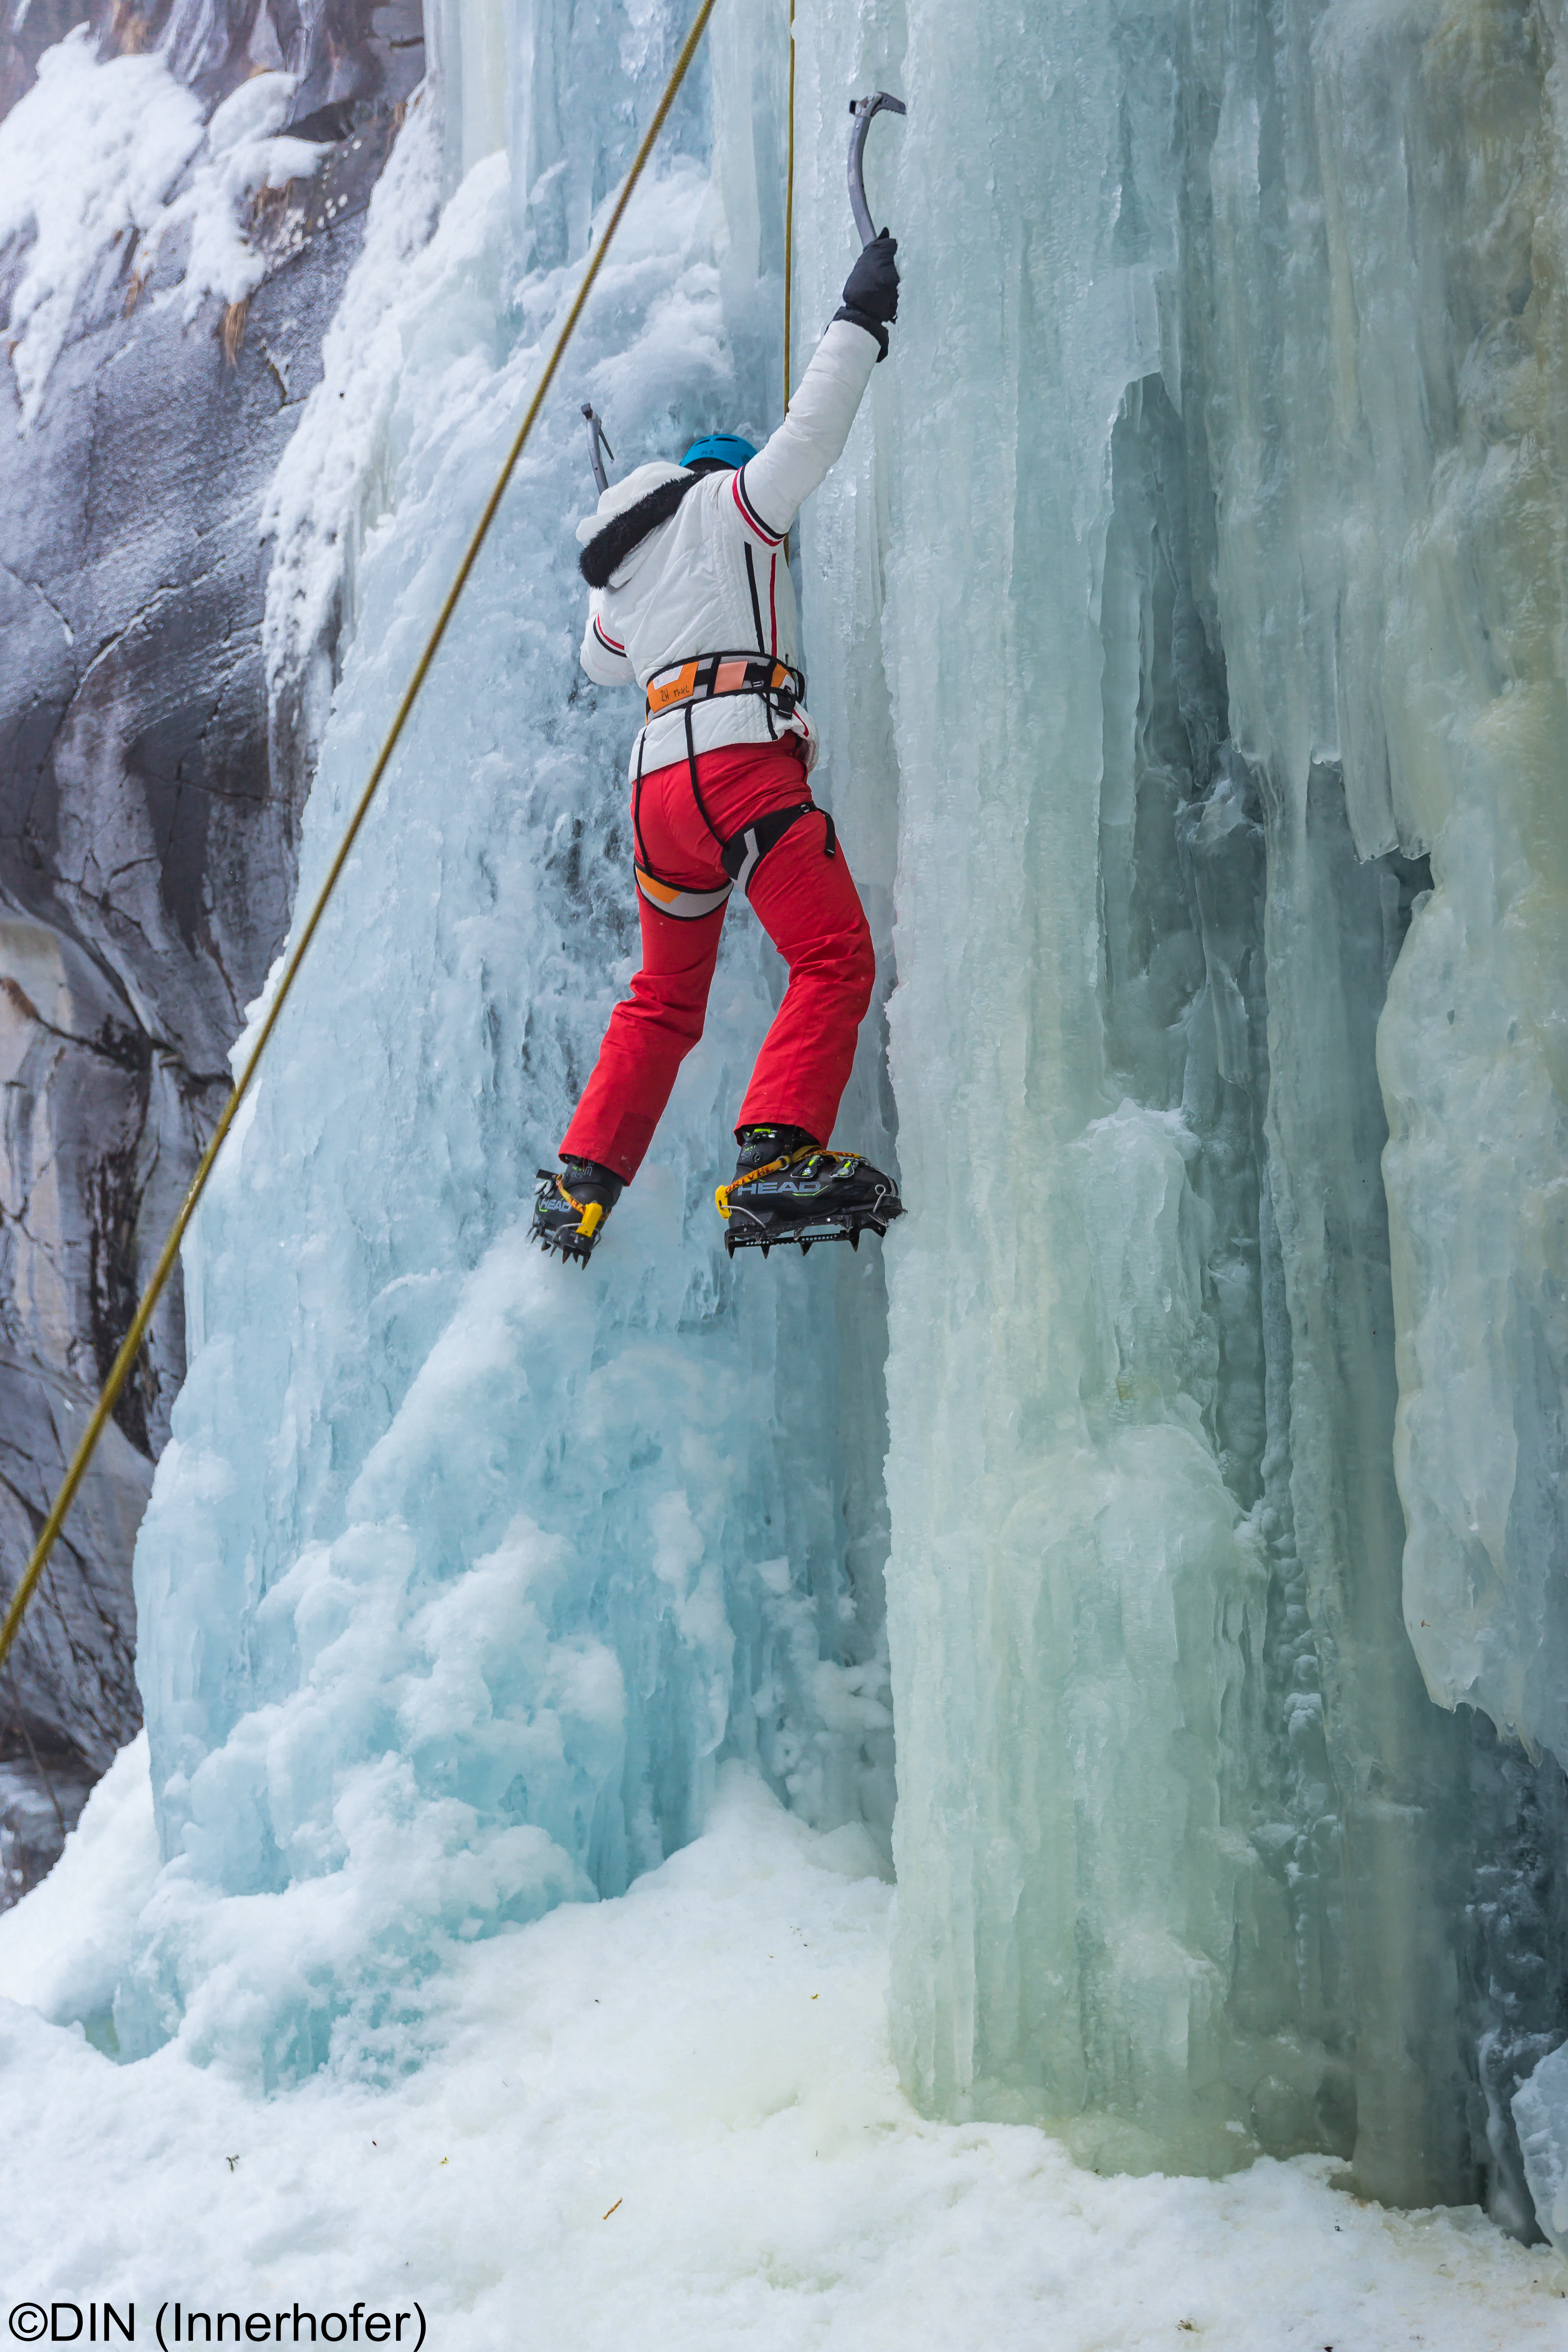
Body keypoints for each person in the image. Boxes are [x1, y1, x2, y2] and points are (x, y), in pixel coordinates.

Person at [532, 229, 905, 1267]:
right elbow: (812, 434)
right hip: (738, 766)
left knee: (661, 1002)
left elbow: (604, 659)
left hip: (659, 803)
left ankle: (582, 1187)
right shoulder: (737, 509)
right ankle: (777, 1152)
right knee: (832, 956)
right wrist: (859, 317)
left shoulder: (634, 584)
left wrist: (623, 567)